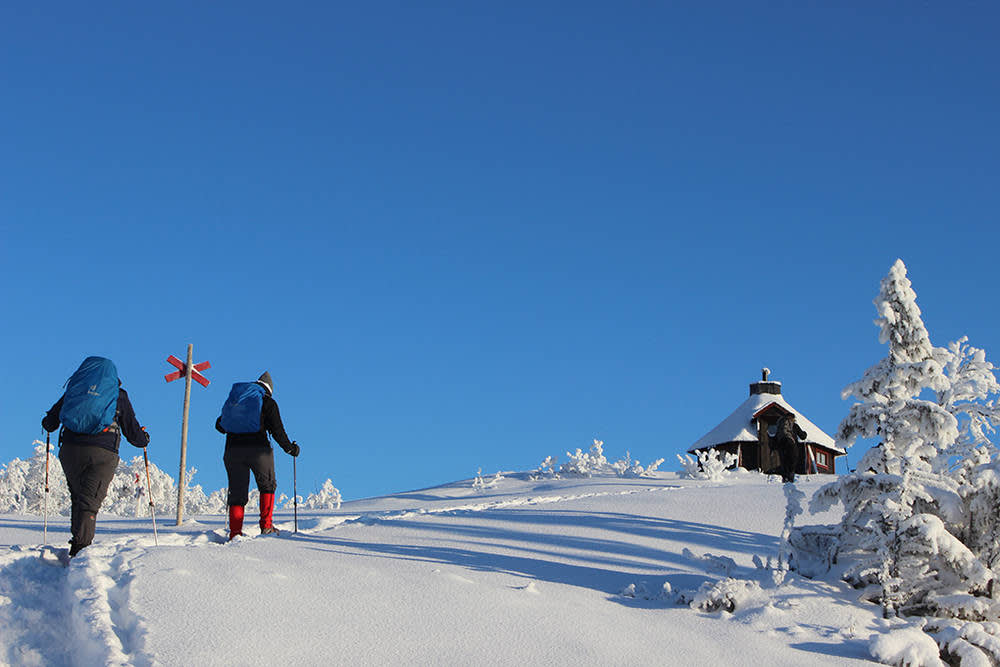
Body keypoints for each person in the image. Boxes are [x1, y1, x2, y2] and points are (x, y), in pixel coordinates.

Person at [42, 356, 150, 557]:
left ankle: (78, 541)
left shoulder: (75, 390)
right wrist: (144, 439)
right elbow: (133, 434)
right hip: (102, 452)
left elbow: (50, 422)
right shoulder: (118, 395)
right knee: (90, 501)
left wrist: (49, 422)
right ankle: (81, 549)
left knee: (78, 496)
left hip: (70, 450)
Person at [216, 371, 299, 539]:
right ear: (269, 389)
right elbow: (277, 431)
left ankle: (235, 533)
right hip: (259, 450)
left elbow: (220, 426)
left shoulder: (237, 401)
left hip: (233, 451)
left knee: (237, 491)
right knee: (267, 485)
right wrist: (290, 448)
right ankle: (266, 526)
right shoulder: (267, 402)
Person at [774, 413, 807, 483]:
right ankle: (790, 478)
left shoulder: (780, 427)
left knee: (784, 462)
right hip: (791, 445)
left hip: (781, 445)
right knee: (792, 461)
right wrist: (805, 433)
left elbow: (775, 438)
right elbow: (803, 436)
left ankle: (785, 477)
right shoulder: (794, 426)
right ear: (792, 418)